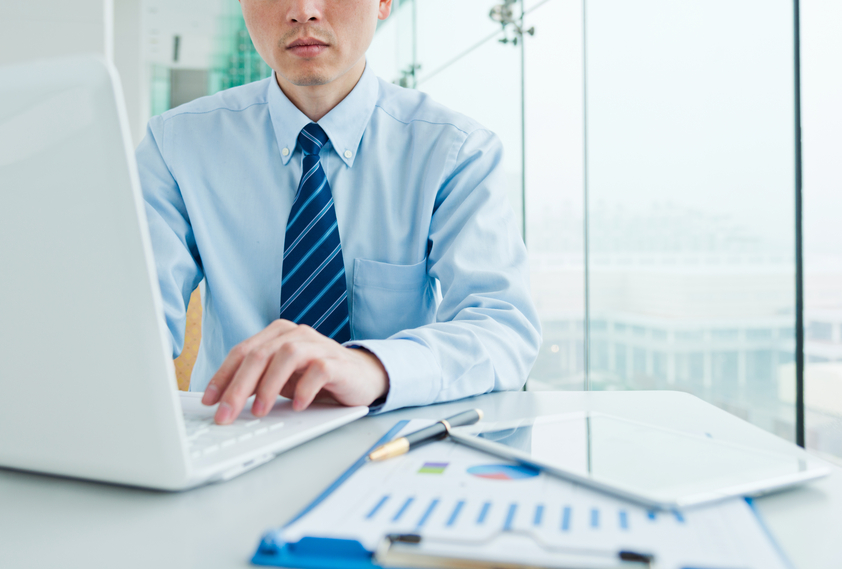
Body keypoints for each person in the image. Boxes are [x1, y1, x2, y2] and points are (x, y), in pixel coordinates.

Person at [136, 0, 541, 425]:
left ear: (384, 3)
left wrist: (373, 367)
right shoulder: (175, 147)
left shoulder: (455, 153)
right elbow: (132, 321)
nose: (303, 10)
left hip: (392, 439)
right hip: (229, 433)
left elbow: (503, 330)